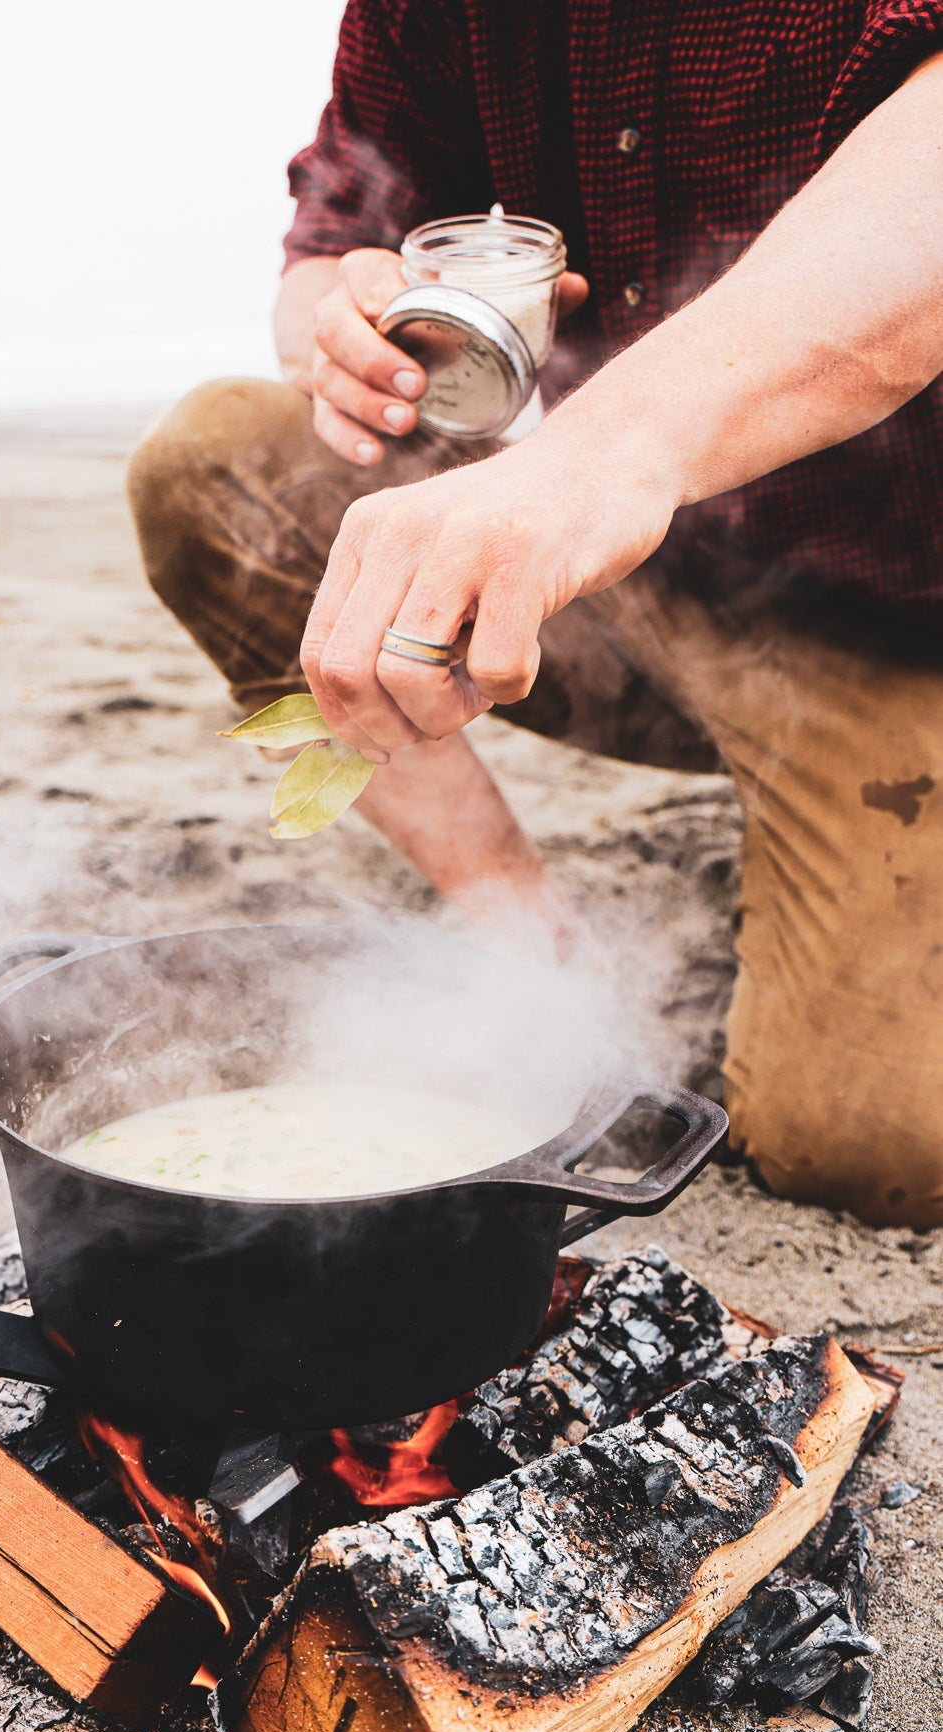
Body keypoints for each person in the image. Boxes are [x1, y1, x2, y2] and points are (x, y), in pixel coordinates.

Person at [126, 4, 943, 1231]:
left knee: (861, 1149)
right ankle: (530, 943)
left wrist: (594, 460)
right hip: (648, 561)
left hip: (903, 609)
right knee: (215, 466)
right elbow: (328, 248)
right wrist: (341, 326)